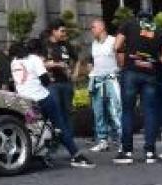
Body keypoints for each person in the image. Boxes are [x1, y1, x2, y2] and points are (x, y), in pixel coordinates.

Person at [11, 39, 95, 168]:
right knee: (59, 126)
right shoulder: (34, 59)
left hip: (25, 100)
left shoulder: (14, 62)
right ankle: (76, 155)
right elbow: (45, 81)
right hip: (42, 98)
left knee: (34, 129)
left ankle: (38, 156)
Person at [113, 9, 162, 165]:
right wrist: (153, 58)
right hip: (151, 74)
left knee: (127, 111)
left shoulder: (129, 24)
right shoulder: (161, 32)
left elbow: (116, 45)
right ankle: (150, 152)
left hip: (131, 72)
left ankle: (127, 152)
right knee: (150, 112)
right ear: (151, 20)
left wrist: (129, 54)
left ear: (138, 18)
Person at [87, 19, 121, 152]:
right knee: (99, 111)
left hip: (111, 79)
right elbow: (93, 61)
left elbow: (120, 59)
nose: (91, 30)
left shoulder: (113, 41)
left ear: (102, 27)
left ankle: (120, 140)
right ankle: (102, 141)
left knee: (115, 110)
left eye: (93, 27)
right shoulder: (94, 44)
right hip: (97, 80)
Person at [45, 19, 78, 126]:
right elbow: (41, 63)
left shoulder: (66, 45)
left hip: (66, 83)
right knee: (56, 111)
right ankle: (57, 138)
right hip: (52, 84)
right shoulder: (45, 45)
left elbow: (77, 59)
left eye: (65, 31)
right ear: (54, 31)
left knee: (68, 112)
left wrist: (75, 73)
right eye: (62, 31)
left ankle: (69, 139)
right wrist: (57, 64)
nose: (64, 34)